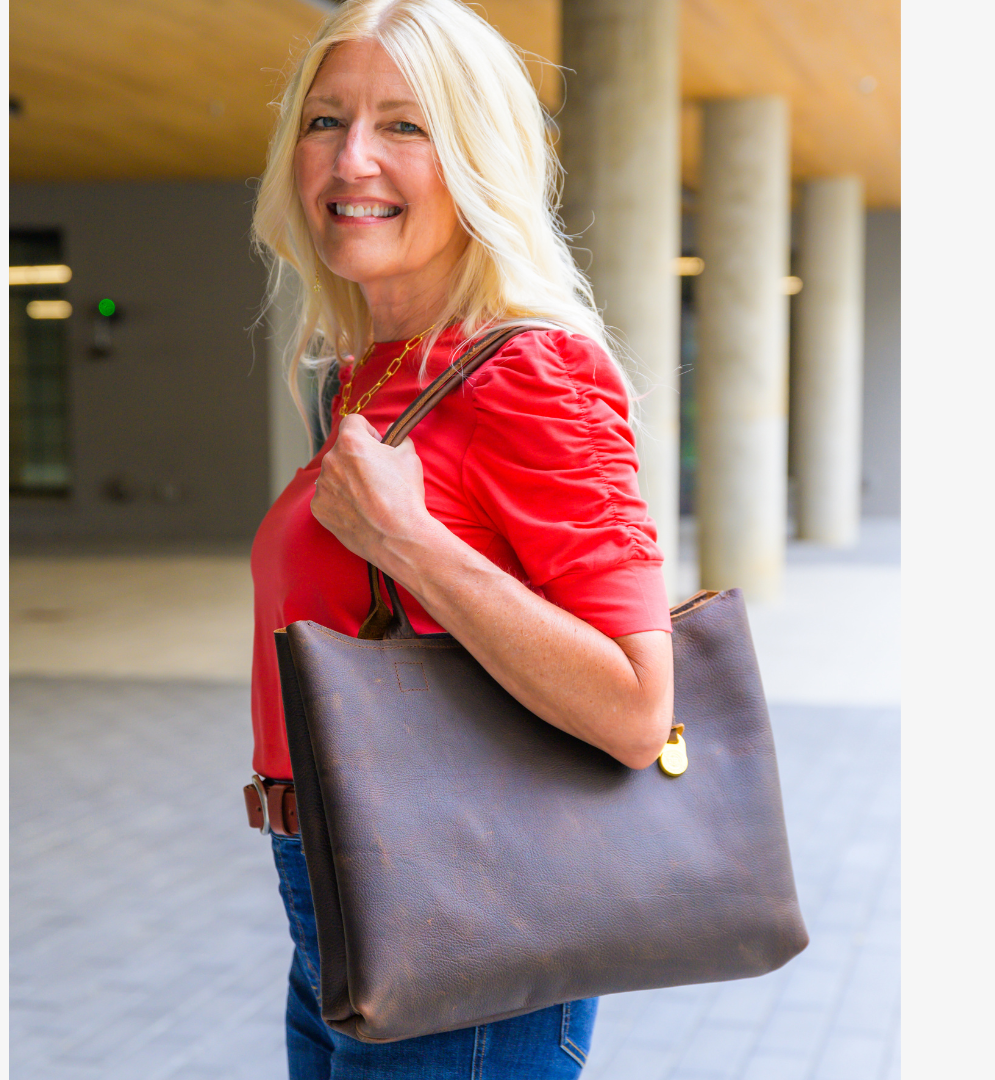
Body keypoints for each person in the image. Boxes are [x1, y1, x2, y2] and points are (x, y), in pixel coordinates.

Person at [249, 1, 674, 1075]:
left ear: (478, 155)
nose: (352, 158)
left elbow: (637, 709)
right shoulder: (372, 369)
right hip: (340, 890)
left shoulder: (532, 371)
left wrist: (413, 543)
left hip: (463, 897)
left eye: (404, 124)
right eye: (324, 120)